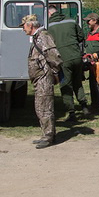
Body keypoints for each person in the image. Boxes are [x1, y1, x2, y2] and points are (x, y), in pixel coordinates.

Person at [23, 14, 62, 149]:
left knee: (44, 107)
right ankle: (48, 133)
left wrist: (54, 72)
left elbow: (53, 55)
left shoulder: (43, 36)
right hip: (39, 78)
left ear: (31, 25)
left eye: (24, 26)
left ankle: (48, 136)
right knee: (41, 106)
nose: (23, 29)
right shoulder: (37, 37)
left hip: (44, 77)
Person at [48, 5, 88, 121]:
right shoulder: (71, 20)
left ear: (50, 14)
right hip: (76, 56)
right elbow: (81, 36)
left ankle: (71, 112)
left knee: (65, 85)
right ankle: (84, 106)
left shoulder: (49, 26)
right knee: (77, 82)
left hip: (63, 59)